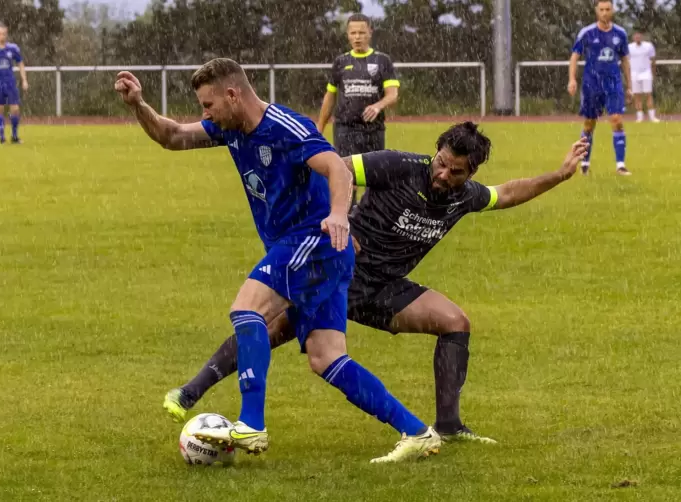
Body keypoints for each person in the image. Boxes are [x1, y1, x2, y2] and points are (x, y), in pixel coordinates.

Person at [166, 123, 589, 444]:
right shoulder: (399, 165)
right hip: (340, 273)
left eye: (455, 171)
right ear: (436, 153)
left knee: (455, 321)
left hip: (385, 288)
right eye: (441, 162)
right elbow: (338, 170)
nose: (442, 174)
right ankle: (190, 392)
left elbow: (509, 193)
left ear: (470, 172)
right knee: (271, 327)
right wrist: (339, 223)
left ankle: (448, 426)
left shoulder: (466, 197)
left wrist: (559, 175)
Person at [114, 58, 441, 463]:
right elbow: (173, 136)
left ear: (233, 95)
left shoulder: (286, 127)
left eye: (208, 105)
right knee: (326, 358)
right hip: (319, 254)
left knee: (246, 308)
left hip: (312, 241)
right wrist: (138, 106)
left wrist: (339, 215)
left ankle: (251, 423)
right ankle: (416, 431)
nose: (205, 114)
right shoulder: (229, 127)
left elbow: (336, 167)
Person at [316, 13, 400, 209]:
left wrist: (378, 105)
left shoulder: (382, 61)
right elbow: (330, 97)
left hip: (373, 129)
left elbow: (393, 94)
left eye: (361, 32)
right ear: (347, 34)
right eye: (353, 33)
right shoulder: (341, 62)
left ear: (370, 32)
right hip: (345, 129)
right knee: (346, 175)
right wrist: (319, 127)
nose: (357, 37)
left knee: (376, 176)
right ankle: (346, 217)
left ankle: (372, 216)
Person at [567, 0, 631, 176]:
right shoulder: (587, 33)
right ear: (596, 11)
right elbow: (574, 57)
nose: (604, 12)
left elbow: (625, 60)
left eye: (607, 9)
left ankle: (620, 165)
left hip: (613, 83)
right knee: (589, 124)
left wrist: (629, 86)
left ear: (612, 10)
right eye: (601, 9)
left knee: (617, 120)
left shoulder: (620, 33)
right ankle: (585, 163)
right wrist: (572, 80)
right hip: (591, 84)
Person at [628, 30, 660, 123]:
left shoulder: (648, 46)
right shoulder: (629, 47)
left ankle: (652, 117)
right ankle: (640, 117)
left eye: (639, 36)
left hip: (646, 73)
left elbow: (653, 60)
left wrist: (652, 73)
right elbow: (627, 62)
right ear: (633, 37)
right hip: (634, 74)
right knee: (637, 96)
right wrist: (629, 76)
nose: (637, 37)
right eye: (636, 36)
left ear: (641, 36)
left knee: (648, 94)